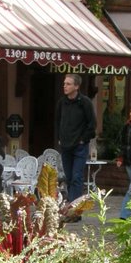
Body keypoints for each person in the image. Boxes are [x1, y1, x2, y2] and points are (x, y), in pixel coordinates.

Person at [55, 73, 96, 206]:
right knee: (69, 177)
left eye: (68, 84)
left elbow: (92, 124)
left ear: (76, 86)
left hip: (79, 146)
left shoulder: (85, 102)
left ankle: (75, 209)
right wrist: (59, 138)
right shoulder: (62, 102)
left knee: (77, 177)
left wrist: (83, 140)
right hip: (65, 146)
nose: (65, 86)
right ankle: (71, 206)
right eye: (64, 84)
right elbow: (57, 122)